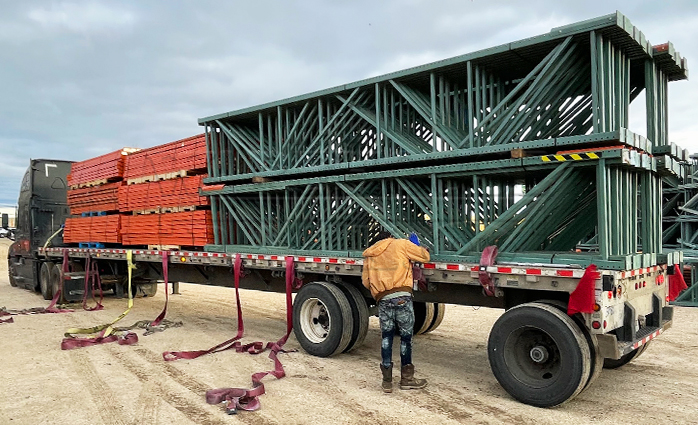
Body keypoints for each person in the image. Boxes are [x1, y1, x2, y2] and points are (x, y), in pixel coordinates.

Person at [362, 230, 431, 393]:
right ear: (390, 237)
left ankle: (387, 381)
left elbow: (366, 281)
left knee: (386, 337)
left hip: (383, 299)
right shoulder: (401, 244)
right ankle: (407, 379)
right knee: (406, 339)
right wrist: (417, 246)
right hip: (402, 297)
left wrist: (379, 290)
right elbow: (425, 257)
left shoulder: (370, 254)